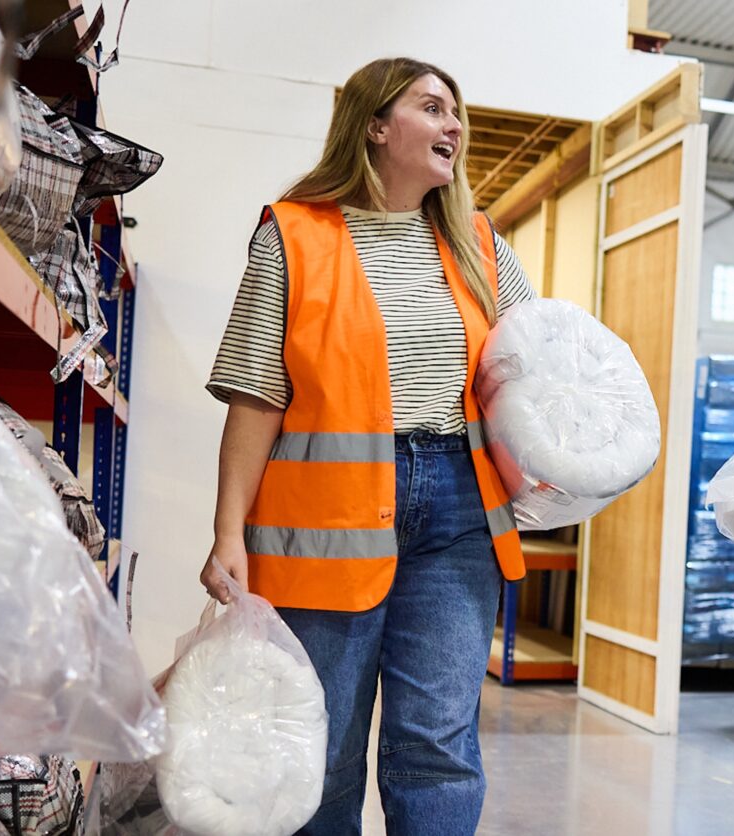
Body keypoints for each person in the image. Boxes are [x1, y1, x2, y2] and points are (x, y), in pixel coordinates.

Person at [200, 57, 534, 836]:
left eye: (458, 111)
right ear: (376, 125)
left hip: (458, 511)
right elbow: (257, 396)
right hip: (325, 519)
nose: (454, 124)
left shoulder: (480, 244)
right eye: (432, 107)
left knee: (438, 744)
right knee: (324, 741)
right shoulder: (294, 234)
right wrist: (226, 533)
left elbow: (538, 366)